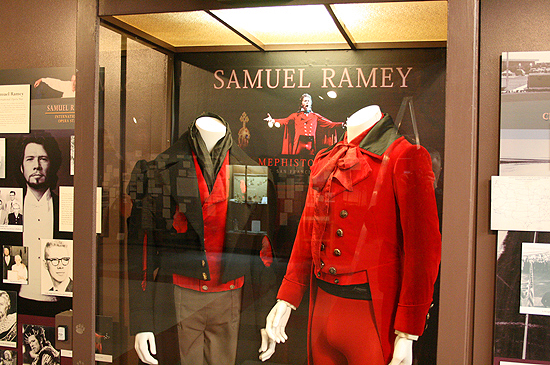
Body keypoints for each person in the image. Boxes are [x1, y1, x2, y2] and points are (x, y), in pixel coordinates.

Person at [259, 105, 441, 364]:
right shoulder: (326, 159)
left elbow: (423, 250)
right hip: (321, 307)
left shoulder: (406, 156)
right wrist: (286, 298)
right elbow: (306, 233)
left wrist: (408, 331)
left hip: (369, 316)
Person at [128, 113, 276, 365]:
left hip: (233, 298)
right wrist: (143, 321)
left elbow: (261, 252)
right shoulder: (159, 170)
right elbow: (141, 251)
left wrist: (264, 317)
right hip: (177, 297)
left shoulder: (249, 172)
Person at [15, 132, 72, 315]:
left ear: (52, 165)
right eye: (30, 159)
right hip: (17, 302)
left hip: (59, 305)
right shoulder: (10, 211)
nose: (37, 166)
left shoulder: (67, 209)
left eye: (43, 159)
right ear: (22, 167)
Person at [264, 93, 344, 155]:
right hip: (299, 143)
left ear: (311, 103)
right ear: (302, 103)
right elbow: (285, 121)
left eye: (308, 101)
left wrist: (342, 124)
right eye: (305, 101)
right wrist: (273, 120)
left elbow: (329, 124)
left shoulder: (315, 116)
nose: (307, 102)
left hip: (311, 144)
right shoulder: (296, 115)